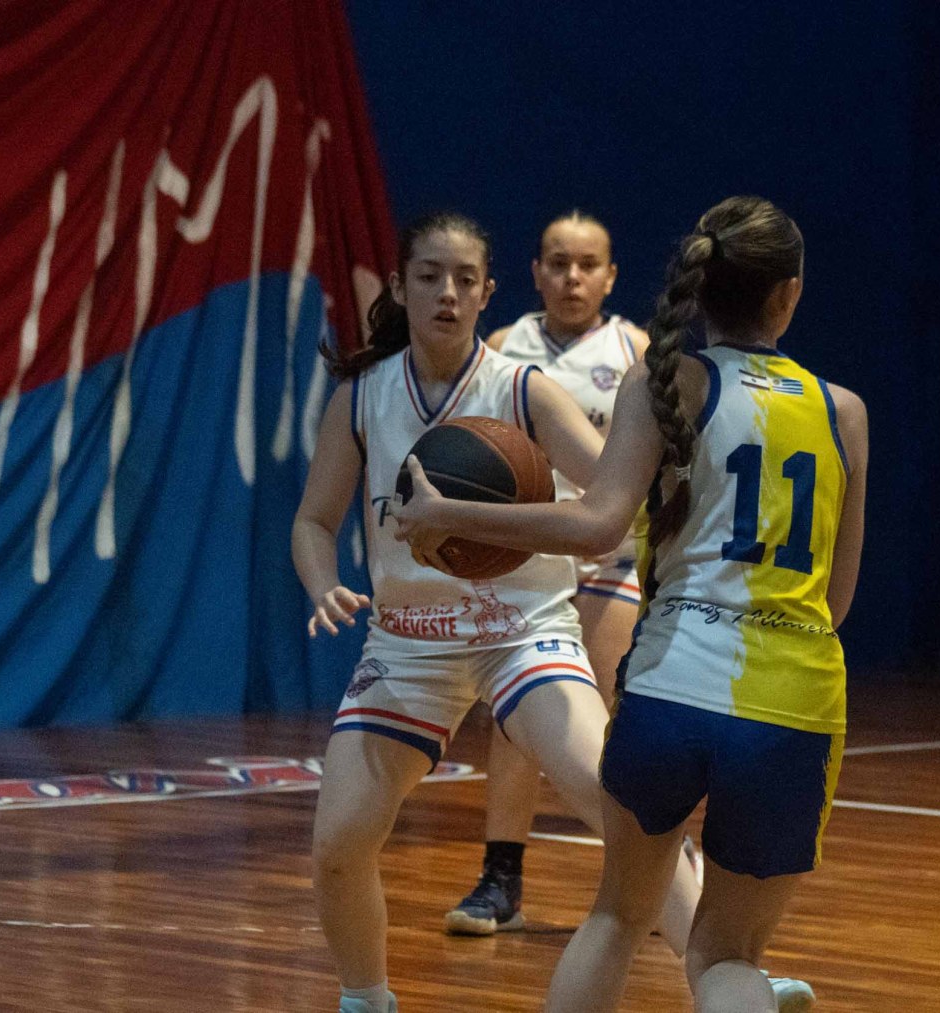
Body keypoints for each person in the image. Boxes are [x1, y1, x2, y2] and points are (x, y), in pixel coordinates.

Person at [395, 195, 867, 1013]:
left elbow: (595, 524)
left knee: (616, 917)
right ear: (788, 294)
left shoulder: (664, 382)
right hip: (792, 704)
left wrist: (449, 513)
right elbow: (838, 598)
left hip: (670, 690)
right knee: (727, 957)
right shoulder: (844, 412)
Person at [292, 211, 711, 1013]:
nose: (446, 293)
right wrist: (321, 583)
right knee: (338, 842)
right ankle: (366, 997)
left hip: (521, 628)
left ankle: (722, 977)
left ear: (488, 292)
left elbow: (613, 494)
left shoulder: (522, 388)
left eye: (463, 279)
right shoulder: (363, 397)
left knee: (612, 797)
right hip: (408, 641)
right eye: (429, 277)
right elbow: (313, 520)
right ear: (400, 287)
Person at [444, 212, 649, 937]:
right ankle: (501, 877)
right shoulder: (504, 348)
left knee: (621, 724)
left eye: (587, 265)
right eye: (558, 263)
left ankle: (650, 875)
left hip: (611, 558)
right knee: (518, 716)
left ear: (611, 276)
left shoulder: (636, 350)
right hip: (529, 561)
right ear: (535, 272)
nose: (572, 277)